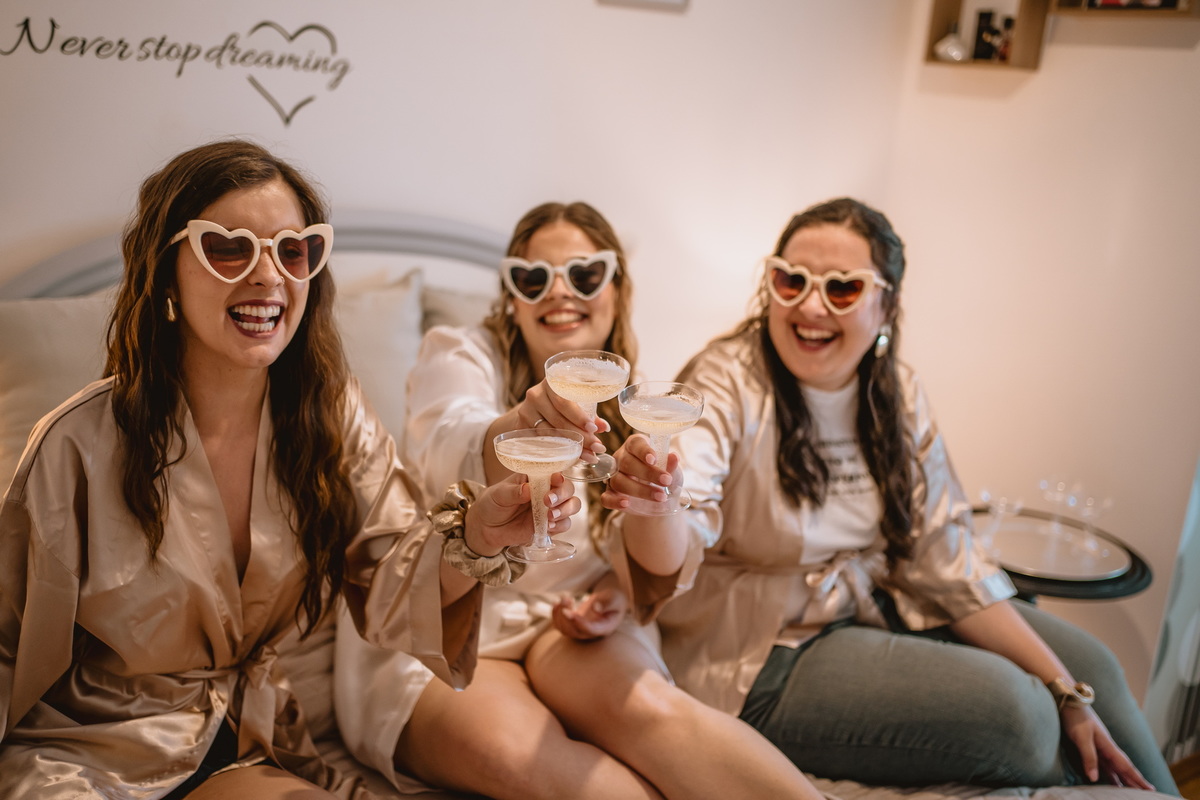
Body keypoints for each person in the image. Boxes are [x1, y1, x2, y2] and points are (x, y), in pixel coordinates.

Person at [0, 139, 579, 799]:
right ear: (164, 272)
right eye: (228, 249)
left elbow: (394, 578)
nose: (268, 275)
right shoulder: (76, 446)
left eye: (293, 250)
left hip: (259, 739)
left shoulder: (329, 416)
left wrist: (478, 533)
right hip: (105, 754)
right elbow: (6, 641)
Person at [603, 197, 1179, 794]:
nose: (811, 306)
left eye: (842, 288)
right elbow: (681, 523)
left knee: (1092, 671)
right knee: (1020, 717)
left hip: (877, 604)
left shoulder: (897, 391)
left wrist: (1068, 692)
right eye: (792, 281)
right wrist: (658, 503)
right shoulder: (727, 380)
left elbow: (943, 559)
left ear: (887, 304)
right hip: (760, 649)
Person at [334, 201, 822, 800]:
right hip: (443, 620)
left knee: (654, 712)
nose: (559, 292)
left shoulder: (635, 400)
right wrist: (523, 427)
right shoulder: (459, 353)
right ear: (512, 297)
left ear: (617, 288)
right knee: (525, 758)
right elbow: (448, 441)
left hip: (570, 626)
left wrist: (632, 555)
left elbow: (661, 570)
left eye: (585, 274)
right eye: (533, 278)